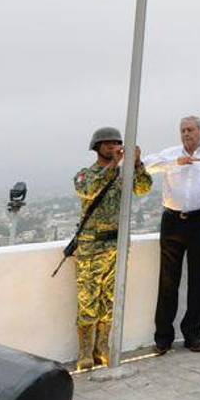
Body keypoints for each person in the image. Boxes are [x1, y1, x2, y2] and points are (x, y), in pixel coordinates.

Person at [144, 117, 200, 353]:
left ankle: (193, 334)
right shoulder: (170, 155)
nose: (186, 134)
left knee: (199, 280)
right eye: (182, 130)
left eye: (190, 130)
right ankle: (163, 337)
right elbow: (146, 165)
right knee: (168, 281)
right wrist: (175, 162)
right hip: (173, 221)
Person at [70, 127, 152, 370]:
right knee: (88, 299)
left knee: (110, 298)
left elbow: (143, 188)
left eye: (116, 143)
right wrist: (112, 166)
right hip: (91, 246)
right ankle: (85, 352)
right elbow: (88, 190)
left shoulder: (123, 175)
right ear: (96, 147)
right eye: (107, 144)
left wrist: (136, 164)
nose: (113, 147)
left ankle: (102, 348)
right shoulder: (86, 174)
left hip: (116, 245)